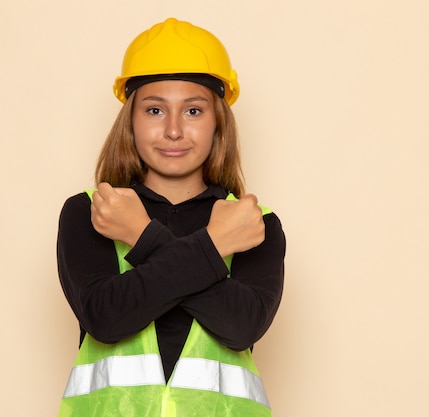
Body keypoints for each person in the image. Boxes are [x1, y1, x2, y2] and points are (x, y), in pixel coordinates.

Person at [56, 17, 285, 417]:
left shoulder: (252, 222)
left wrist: (143, 236)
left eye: (194, 110)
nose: (174, 130)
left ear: (218, 123)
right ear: (131, 119)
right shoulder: (92, 210)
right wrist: (214, 247)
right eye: (155, 110)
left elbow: (241, 326)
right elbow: (106, 318)